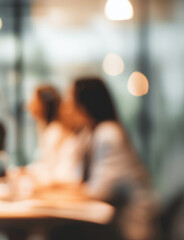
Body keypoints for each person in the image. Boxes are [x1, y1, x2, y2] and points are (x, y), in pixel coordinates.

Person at [62, 77, 156, 240]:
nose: (66, 107)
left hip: (128, 226)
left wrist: (58, 196)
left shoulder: (108, 134)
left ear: (85, 103)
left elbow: (99, 192)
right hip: (108, 222)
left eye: (71, 99)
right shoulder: (90, 134)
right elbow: (76, 179)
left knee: (62, 232)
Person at [27, 85, 90, 186]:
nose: (29, 105)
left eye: (34, 100)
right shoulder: (45, 127)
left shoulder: (56, 131)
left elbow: (59, 171)